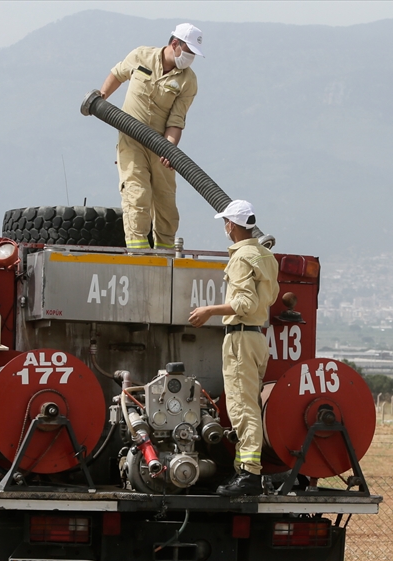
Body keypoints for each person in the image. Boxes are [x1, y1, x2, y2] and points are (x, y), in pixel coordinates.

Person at [188, 200, 279, 496]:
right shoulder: (265, 255)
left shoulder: (241, 258)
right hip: (256, 337)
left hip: (240, 337)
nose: (225, 228)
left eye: (226, 223)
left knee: (242, 408)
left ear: (232, 225)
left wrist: (208, 311)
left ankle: (249, 475)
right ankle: (244, 472)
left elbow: (244, 304)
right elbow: (267, 298)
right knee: (248, 404)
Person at [99, 23, 203, 251]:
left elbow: (177, 120)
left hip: (161, 146)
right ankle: (138, 257)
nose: (190, 58)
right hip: (131, 141)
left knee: (166, 207)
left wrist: (169, 149)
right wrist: (101, 99)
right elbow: (117, 74)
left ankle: (165, 259)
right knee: (138, 197)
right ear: (174, 44)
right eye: (189, 52)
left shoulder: (188, 81)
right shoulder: (141, 56)